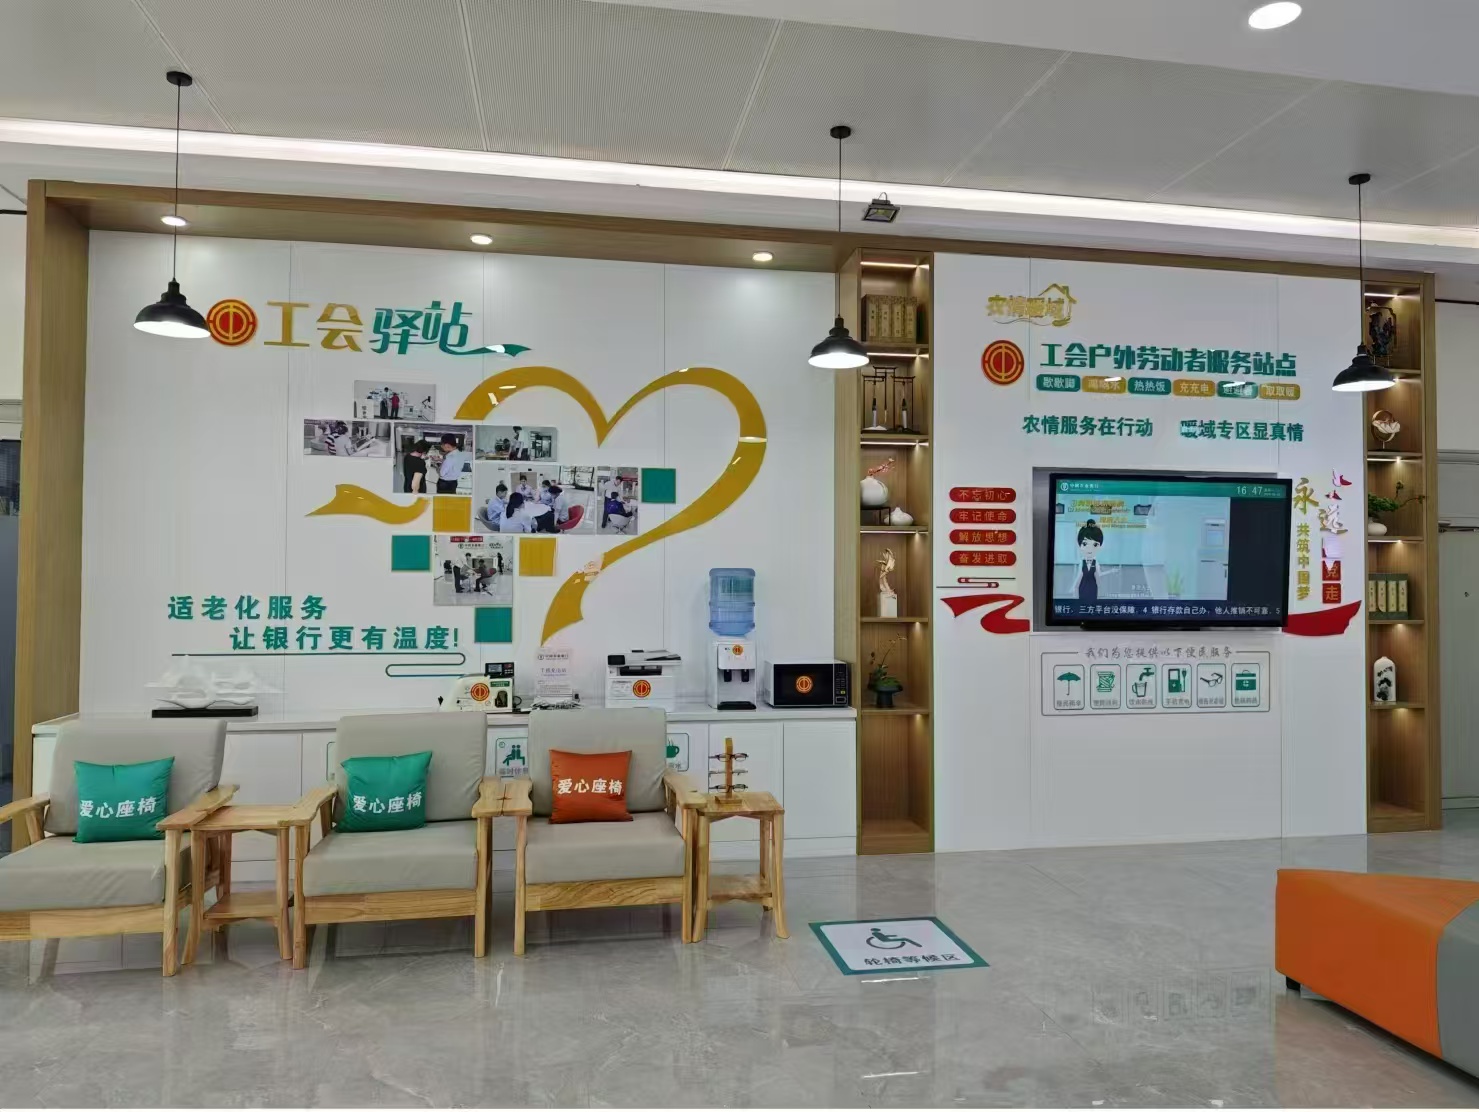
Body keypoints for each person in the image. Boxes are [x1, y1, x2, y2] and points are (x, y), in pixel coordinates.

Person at [1070, 519, 1116, 602]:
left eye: (1095, 545)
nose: (1089, 549)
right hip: (1083, 587)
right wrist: (1074, 587)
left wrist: (1110, 571)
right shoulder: (1082, 562)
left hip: (1093, 588)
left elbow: (1098, 575)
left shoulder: (1096, 563)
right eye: (1085, 544)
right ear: (1080, 545)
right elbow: (1079, 576)